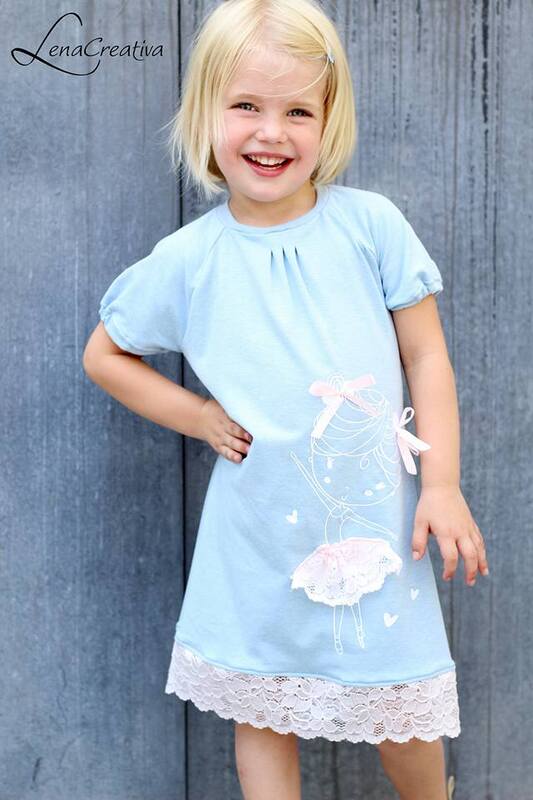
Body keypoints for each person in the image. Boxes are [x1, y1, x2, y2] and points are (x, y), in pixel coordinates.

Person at [82, 1, 490, 798]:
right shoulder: (190, 259)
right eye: (245, 106)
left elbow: (425, 355)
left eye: (297, 111)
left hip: (375, 524)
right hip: (257, 533)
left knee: (401, 709)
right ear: (205, 113)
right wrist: (198, 416)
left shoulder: (369, 227)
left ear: (328, 120)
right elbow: (106, 355)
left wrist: (440, 485)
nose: (271, 133)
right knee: (262, 711)